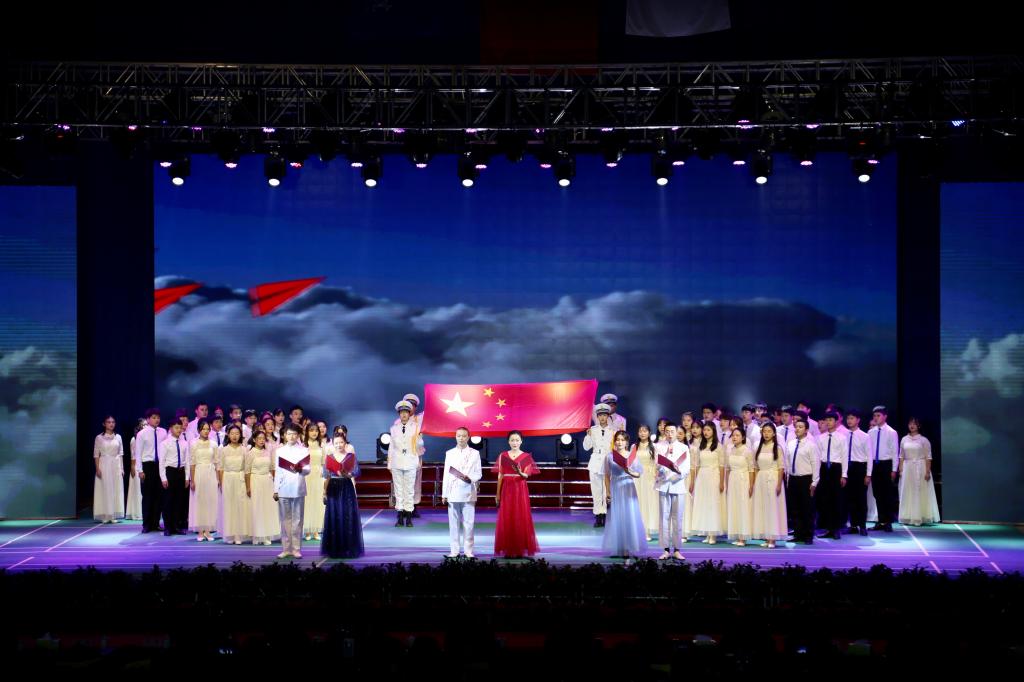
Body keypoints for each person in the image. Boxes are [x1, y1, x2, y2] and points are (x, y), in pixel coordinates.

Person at [493, 430, 540, 558]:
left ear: (521, 441)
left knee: (520, 516)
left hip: (520, 488)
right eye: (512, 440)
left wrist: (519, 472)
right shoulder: (503, 455)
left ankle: (519, 549)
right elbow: (500, 475)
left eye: (517, 440)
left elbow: (526, 475)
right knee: (507, 517)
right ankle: (508, 548)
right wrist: (497, 494)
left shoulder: (526, 456)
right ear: (508, 442)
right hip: (507, 488)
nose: (514, 442)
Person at [602, 430, 647, 561]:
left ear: (627, 442)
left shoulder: (631, 456)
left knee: (629, 515)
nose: (620, 442)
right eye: (617, 440)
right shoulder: (609, 456)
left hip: (628, 486)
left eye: (622, 440)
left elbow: (638, 474)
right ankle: (619, 547)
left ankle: (628, 548)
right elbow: (606, 475)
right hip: (615, 486)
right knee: (617, 516)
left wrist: (630, 471)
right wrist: (608, 492)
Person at [321, 431, 364, 558]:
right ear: (333, 444)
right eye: (336, 443)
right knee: (334, 515)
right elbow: (326, 475)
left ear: (345, 443)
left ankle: (348, 548)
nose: (339, 445)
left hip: (346, 486)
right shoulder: (330, 457)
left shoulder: (350, 456)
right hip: (333, 487)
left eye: (341, 442)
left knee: (347, 515)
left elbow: (357, 472)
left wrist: (348, 474)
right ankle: (335, 549)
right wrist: (324, 491)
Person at [442, 427, 482, 559]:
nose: (461, 438)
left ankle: (468, 551)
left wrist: (470, 478)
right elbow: (446, 475)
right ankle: (454, 551)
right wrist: (444, 494)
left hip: (468, 491)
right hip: (453, 491)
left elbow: (478, 473)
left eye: (464, 436)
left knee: (469, 524)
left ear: (468, 437)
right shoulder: (449, 453)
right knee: (453, 524)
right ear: (455, 436)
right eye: (459, 435)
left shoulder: (475, 453)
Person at [274, 424, 311, 559]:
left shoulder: (304, 450)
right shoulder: (280, 451)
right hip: (283, 488)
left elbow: (308, 470)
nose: (292, 436)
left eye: (294, 434)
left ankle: (296, 549)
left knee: (297, 520)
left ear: (298, 435)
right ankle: (286, 548)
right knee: (285, 520)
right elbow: (277, 471)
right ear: (285, 435)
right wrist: (275, 489)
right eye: (289, 434)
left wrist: (300, 469)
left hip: (298, 487)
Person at [654, 423, 690, 561]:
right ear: (664, 432)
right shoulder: (659, 446)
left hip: (677, 485)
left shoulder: (683, 447)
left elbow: (686, 468)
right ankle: (665, 549)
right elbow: (657, 464)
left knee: (677, 518)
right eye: (667, 431)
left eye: (672, 431)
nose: (670, 434)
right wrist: (664, 467)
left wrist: (676, 474)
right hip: (663, 484)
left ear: (677, 432)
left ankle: (677, 549)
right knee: (664, 517)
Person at [751, 422, 788, 548]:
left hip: (773, 478)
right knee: (763, 508)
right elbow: (756, 467)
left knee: (772, 508)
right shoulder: (758, 447)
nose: (766, 434)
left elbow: (781, 467)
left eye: (769, 431)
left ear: (774, 434)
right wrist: (755, 483)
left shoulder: (777, 448)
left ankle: (773, 538)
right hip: (761, 479)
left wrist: (779, 484)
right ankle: (767, 537)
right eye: (764, 431)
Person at [388, 400, 424, 527]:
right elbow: (391, 447)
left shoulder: (416, 428)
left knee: (409, 490)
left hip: (410, 461)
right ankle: (399, 516)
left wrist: (419, 441)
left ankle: (408, 517)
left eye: (406, 412)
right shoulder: (394, 429)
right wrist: (389, 463)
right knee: (398, 490)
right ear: (399, 414)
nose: (404, 414)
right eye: (401, 412)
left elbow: (419, 446)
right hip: (397, 462)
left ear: (409, 413)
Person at [898, 418, 940, 526]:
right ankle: (907, 516)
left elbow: (928, 457)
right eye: (910, 424)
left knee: (920, 491)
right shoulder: (904, 439)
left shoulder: (924, 440)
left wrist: (927, 471)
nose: (912, 426)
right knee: (908, 491)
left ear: (919, 426)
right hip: (908, 468)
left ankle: (920, 516)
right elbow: (901, 456)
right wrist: (901, 469)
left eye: (914, 424)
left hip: (920, 468)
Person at [785, 419, 821, 544]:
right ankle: (798, 533)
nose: (797, 429)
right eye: (796, 426)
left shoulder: (811, 445)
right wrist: (788, 479)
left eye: (801, 427)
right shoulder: (791, 443)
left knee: (807, 508)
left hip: (806, 479)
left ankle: (808, 535)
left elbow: (815, 464)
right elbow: (788, 463)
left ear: (806, 430)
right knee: (795, 508)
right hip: (793, 479)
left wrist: (814, 482)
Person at [690, 422, 726, 544]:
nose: (706, 432)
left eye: (708, 430)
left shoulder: (719, 447)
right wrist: (695, 481)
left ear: (713, 431)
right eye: (705, 430)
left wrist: (722, 482)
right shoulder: (701, 446)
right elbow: (697, 465)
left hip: (714, 476)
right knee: (704, 504)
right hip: (702, 477)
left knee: (713, 504)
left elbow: (722, 466)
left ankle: (713, 534)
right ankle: (706, 532)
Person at [815, 411, 849, 540]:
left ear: (836, 422)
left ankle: (836, 529)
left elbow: (844, 456)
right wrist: (816, 475)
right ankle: (828, 528)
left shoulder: (842, 438)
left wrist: (844, 475)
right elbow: (818, 457)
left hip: (836, 468)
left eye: (831, 420)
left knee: (836, 500)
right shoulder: (820, 438)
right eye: (826, 420)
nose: (828, 422)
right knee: (825, 500)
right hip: (824, 468)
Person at [868, 405, 900, 532]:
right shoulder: (871, 432)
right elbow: (869, 451)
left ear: (885, 416)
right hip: (875, 465)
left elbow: (895, 452)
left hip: (886, 464)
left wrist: (894, 469)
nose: (876, 418)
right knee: (877, 494)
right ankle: (881, 521)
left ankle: (888, 521)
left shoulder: (891, 432)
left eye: (878, 415)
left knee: (887, 494)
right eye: (874, 416)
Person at [583, 403, 615, 527]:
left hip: (608, 461)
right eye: (600, 415)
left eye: (604, 415)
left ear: (608, 416)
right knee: (596, 490)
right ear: (597, 416)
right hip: (595, 462)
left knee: (606, 490)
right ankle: (598, 516)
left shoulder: (613, 431)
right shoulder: (593, 430)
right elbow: (586, 447)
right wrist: (588, 435)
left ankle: (605, 515)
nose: (602, 417)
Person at [218, 424, 250, 545]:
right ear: (228, 435)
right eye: (232, 433)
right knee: (229, 506)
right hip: (227, 478)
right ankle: (229, 534)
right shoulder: (223, 450)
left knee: (240, 506)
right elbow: (220, 468)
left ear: (240, 435)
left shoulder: (244, 449)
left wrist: (247, 485)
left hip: (240, 478)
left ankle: (238, 534)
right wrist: (221, 484)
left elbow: (247, 469)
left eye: (237, 433)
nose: (235, 436)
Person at [188, 419, 219, 541]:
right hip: (199, 473)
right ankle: (200, 530)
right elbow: (192, 463)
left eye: (207, 429)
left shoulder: (214, 444)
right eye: (203, 429)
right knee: (199, 501)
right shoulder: (194, 444)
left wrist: (218, 479)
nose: (206, 431)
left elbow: (216, 462)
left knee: (210, 501)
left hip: (211, 473)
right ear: (198, 430)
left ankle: (208, 530)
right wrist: (192, 480)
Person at [136, 408, 167, 533]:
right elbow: (138, 453)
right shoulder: (142, 434)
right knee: (147, 496)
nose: (156, 420)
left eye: (158, 417)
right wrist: (140, 470)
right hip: (147, 466)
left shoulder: (163, 432)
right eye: (154, 417)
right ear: (148, 419)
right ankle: (146, 524)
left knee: (159, 496)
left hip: (160, 465)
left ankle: (156, 523)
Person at [247, 430, 280, 546]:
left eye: (263, 438)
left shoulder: (267, 452)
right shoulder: (250, 453)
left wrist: (274, 482)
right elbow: (247, 471)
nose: (261, 440)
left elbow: (272, 468)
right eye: (259, 438)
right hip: (255, 480)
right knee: (257, 508)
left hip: (267, 481)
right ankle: (257, 535)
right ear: (254, 440)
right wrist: (248, 487)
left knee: (267, 508)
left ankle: (266, 534)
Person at [158, 420, 190, 536]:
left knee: (179, 501)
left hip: (180, 473)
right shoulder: (165, 443)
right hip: (170, 472)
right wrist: (163, 478)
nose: (179, 430)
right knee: (168, 501)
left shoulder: (184, 443)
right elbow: (162, 462)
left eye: (180, 428)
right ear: (171, 428)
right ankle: (168, 527)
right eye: (176, 428)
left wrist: (187, 477)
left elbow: (187, 461)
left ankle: (176, 526)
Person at [844, 409, 873, 535]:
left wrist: (868, 474)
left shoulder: (865, 436)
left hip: (859, 468)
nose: (849, 421)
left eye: (852, 418)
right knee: (850, 499)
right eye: (848, 418)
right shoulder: (844, 435)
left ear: (858, 420)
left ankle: (862, 526)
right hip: (847, 468)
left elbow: (869, 456)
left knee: (861, 499)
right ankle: (853, 525)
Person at [725, 427, 755, 546]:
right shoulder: (730, 450)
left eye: (737, 435)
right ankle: (737, 535)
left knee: (743, 507)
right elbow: (728, 469)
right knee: (735, 507)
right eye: (733, 435)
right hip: (733, 480)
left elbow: (751, 469)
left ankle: (743, 537)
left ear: (743, 438)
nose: (734, 437)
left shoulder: (747, 451)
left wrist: (751, 486)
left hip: (744, 480)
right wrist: (727, 484)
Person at [93, 415, 125, 523]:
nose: (111, 424)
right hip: (104, 464)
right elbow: (96, 454)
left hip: (116, 465)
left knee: (115, 489)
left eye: (113, 422)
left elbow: (121, 454)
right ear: (104, 424)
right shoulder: (99, 438)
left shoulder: (118, 437)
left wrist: (122, 468)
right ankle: (105, 515)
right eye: (108, 422)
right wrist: (97, 468)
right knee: (105, 488)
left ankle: (113, 515)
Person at [633, 424, 660, 541]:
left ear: (649, 433)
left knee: (649, 503)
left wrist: (656, 475)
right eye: (640, 431)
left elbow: (658, 463)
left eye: (645, 431)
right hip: (638, 477)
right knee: (639, 502)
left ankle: (648, 530)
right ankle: (638, 530)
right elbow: (631, 462)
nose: (642, 433)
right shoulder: (634, 446)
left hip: (650, 477)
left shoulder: (654, 446)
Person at [303, 423, 326, 541]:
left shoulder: (321, 445)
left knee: (317, 502)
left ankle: (316, 530)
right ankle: (307, 531)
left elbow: (324, 463)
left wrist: (322, 470)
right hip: (307, 476)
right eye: (311, 430)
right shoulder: (303, 446)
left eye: (316, 430)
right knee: (307, 502)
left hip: (318, 475)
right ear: (307, 432)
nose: (314, 433)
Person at [125, 418, 144, 521]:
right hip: (137, 466)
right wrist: (132, 467)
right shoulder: (134, 439)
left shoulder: (146, 437)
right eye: (143, 425)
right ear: (138, 427)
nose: (145, 426)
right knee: (137, 490)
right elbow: (133, 455)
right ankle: (137, 512)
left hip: (145, 466)